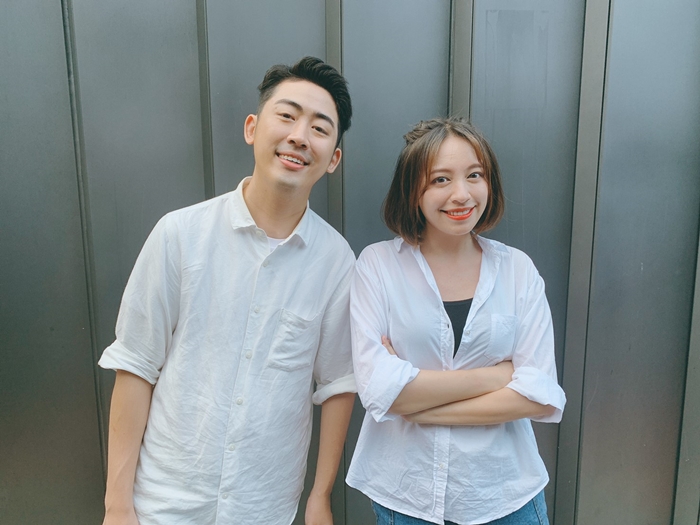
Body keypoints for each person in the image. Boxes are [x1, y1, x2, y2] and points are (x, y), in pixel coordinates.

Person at [99, 56, 356, 525]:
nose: (300, 136)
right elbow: (135, 364)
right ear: (252, 128)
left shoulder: (337, 261)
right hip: (164, 503)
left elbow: (338, 383)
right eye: (287, 115)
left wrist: (320, 497)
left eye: (320, 128)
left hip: (264, 507)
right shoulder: (180, 234)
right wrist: (117, 505)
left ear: (333, 158)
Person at [346, 117, 566, 525]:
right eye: (440, 180)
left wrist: (421, 408)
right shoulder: (377, 266)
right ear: (412, 190)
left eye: (474, 175)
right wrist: (498, 376)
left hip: (505, 496)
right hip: (406, 495)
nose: (461, 194)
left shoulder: (517, 270)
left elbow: (538, 395)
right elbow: (379, 391)